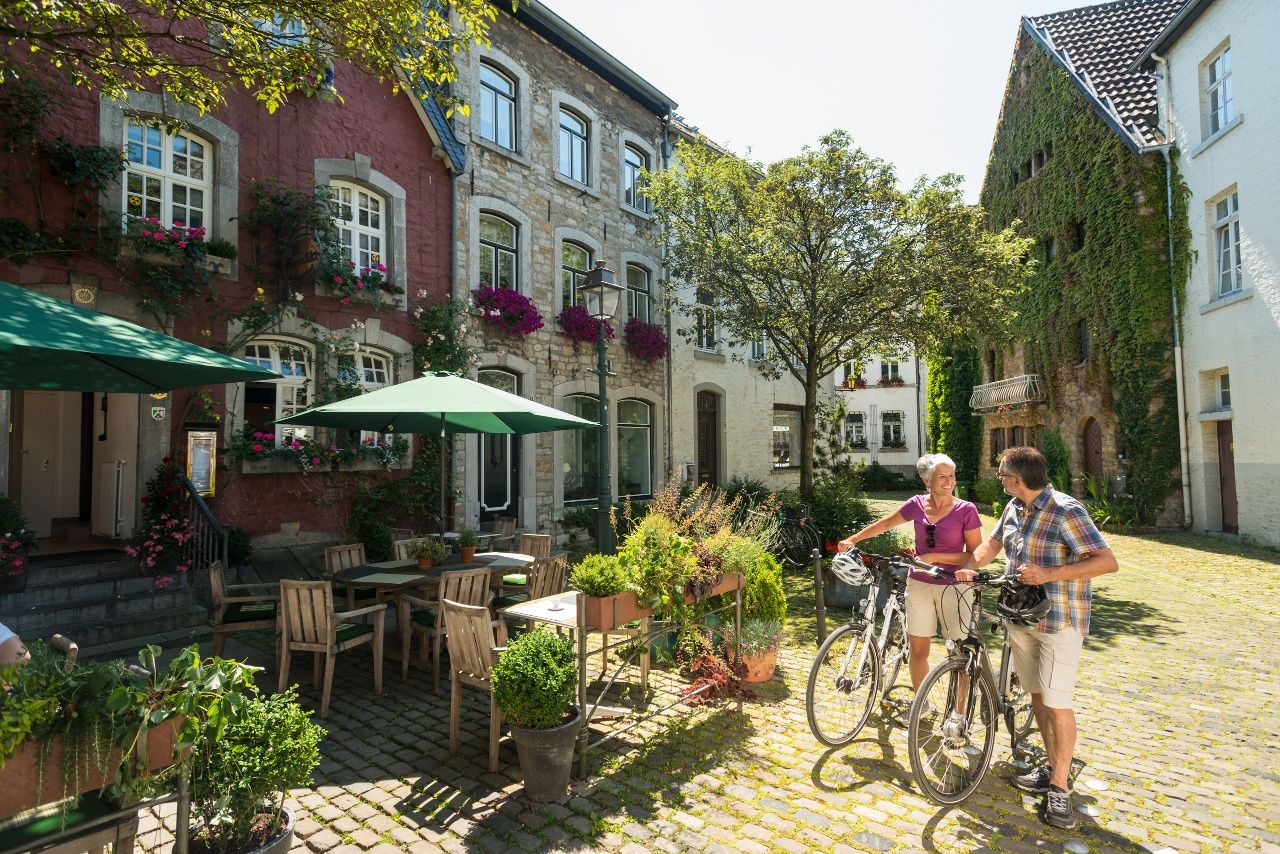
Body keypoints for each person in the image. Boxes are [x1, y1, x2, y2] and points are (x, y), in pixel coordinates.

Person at [956, 446, 1117, 830]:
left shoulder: (1066, 510)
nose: (1000, 479)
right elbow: (992, 545)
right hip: (1021, 617)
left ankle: (1060, 788)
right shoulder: (1014, 508)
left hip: (1059, 621)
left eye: (1001, 474)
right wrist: (969, 566)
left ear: (1016, 479)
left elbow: (1106, 561)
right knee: (1040, 697)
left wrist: (1048, 574)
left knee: (1058, 704)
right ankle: (1050, 766)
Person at [838, 453, 983, 726]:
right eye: (942, 476)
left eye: (951, 476)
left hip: (954, 587)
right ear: (927, 481)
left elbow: (975, 555)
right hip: (919, 585)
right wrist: (854, 539)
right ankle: (922, 705)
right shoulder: (916, 504)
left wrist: (935, 557)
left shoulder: (966, 510)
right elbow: (885, 523)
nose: (949, 481)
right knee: (918, 651)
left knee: (959, 653)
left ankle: (958, 714)